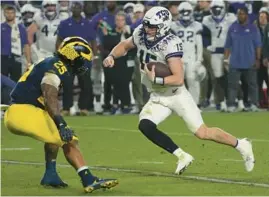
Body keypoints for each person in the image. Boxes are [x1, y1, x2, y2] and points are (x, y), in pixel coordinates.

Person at [103, 6, 255, 174]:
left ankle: (241, 145)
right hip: (157, 96)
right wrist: (111, 56)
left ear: (163, 27)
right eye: (146, 24)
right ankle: (182, 156)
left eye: (151, 26)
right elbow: (125, 45)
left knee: (202, 132)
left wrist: (156, 78)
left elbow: (178, 78)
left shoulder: (170, 44)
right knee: (145, 125)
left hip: (176, 95)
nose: (147, 29)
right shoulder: (142, 32)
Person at [4, 36, 118, 193]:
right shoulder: (58, 67)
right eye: (82, 60)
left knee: (53, 135)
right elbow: (49, 94)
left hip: (18, 112)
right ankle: (88, 179)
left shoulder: (51, 62)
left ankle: (50, 174)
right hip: (24, 112)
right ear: (72, 55)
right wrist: (61, 123)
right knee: (69, 138)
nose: (83, 65)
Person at [56, 2, 95, 116]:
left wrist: (94, 56)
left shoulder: (88, 24)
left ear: (82, 9)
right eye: (74, 7)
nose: (76, 9)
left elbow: (93, 41)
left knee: (85, 83)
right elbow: (59, 41)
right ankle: (67, 108)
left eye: (78, 7)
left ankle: (83, 108)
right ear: (71, 9)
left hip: (84, 59)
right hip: (68, 58)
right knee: (67, 83)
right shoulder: (64, 23)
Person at [203, 0, 239, 112]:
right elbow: (205, 35)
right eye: (215, 8)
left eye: (219, 7)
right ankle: (221, 102)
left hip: (229, 51)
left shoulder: (231, 18)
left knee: (232, 77)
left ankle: (235, 100)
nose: (217, 10)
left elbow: (236, 33)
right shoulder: (207, 20)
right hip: (215, 52)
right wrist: (208, 44)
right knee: (218, 78)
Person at [224, 7, 262, 112]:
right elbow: (227, 45)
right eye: (238, 14)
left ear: (246, 15)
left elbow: (258, 45)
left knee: (252, 84)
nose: (240, 15)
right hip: (235, 62)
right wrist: (225, 60)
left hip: (250, 61)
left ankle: (254, 104)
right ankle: (231, 105)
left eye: (242, 14)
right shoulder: (232, 27)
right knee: (232, 85)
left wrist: (258, 59)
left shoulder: (253, 28)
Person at [171, 2, 206, 106]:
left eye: (187, 11)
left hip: (191, 57)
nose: (185, 14)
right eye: (183, 11)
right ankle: (178, 104)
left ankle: (195, 104)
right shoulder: (174, 26)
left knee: (192, 80)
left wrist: (199, 59)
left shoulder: (197, 25)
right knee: (177, 82)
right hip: (179, 58)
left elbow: (199, 45)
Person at [1, 4, 32, 82]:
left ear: (15, 14)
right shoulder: (1, 27)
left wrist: (28, 62)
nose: (9, 15)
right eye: (7, 13)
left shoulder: (21, 28)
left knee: (16, 82)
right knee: (2, 82)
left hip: (17, 59)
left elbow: (26, 45)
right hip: (3, 59)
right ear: (4, 14)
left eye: (11, 13)